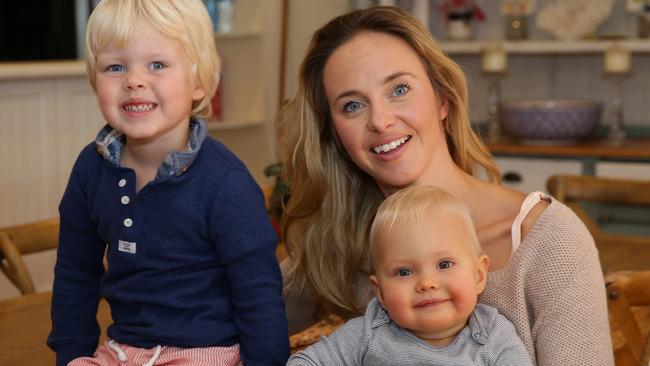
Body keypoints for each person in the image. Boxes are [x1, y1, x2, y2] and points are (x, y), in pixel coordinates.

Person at [277, 6, 612, 365]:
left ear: (442, 99)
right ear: (333, 133)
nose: (381, 120)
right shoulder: (339, 239)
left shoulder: (547, 239)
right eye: (353, 105)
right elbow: (241, 312)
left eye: (399, 89)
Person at [47, 0, 289, 365]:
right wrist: (71, 356)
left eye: (157, 64)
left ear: (199, 82)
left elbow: (258, 292)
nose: (134, 80)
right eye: (115, 66)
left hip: (206, 352)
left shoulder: (226, 183)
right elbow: (75, 273)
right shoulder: (90, 169)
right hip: (122, 351)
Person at [288, 185, 532, 365]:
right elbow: (307, 362)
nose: (426, 283)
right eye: (404, 272)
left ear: (479, 276)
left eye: (444, 264)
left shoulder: (494, 338)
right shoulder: (368, 333)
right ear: (380, 291)